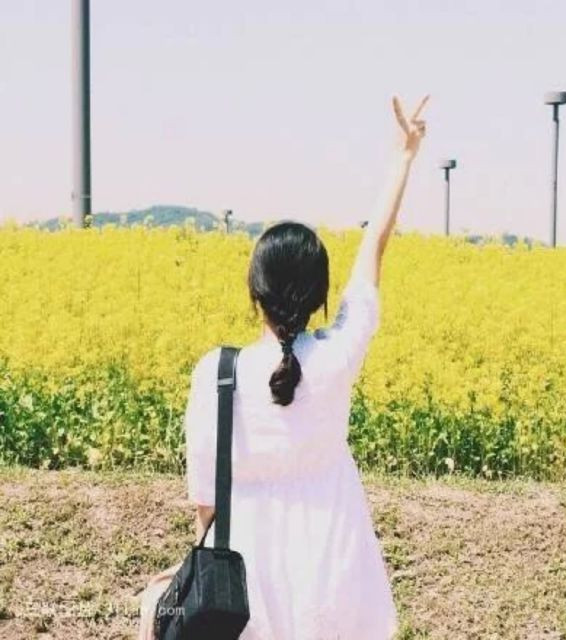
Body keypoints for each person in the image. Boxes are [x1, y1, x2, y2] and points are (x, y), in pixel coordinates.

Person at [138, 93, 429, 640]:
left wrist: (200, 567)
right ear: (321, 296)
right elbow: (373, 251)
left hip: (245, 582)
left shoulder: (217, 373)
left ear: (254, 291)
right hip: (334, 568)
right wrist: (404, 157)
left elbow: (205, 500)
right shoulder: (338, 357)